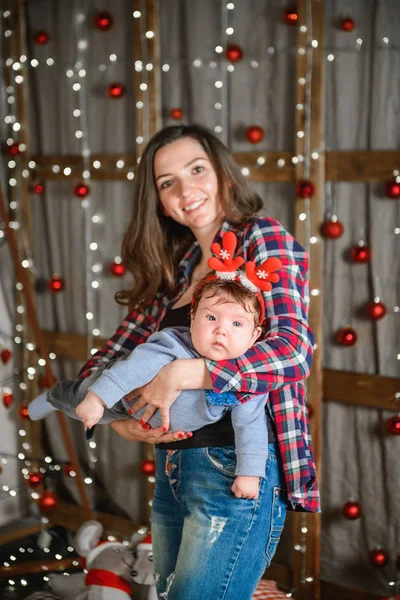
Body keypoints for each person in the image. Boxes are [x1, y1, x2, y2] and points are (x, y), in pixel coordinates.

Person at [52, 124, 321, 600]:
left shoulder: (262, 238)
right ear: (157, 199)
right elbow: (114, 352)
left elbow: (293, 351)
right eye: (167, 181)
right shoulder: (180, 271)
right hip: (175, 470)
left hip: (236, 464)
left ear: (221, 172)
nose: (185, 189)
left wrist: (184, 372)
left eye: (196, 170)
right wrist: (118, 420)